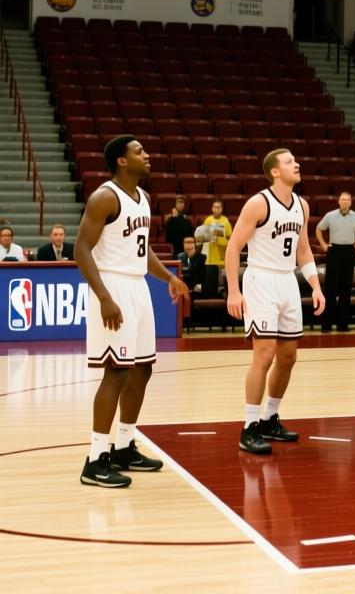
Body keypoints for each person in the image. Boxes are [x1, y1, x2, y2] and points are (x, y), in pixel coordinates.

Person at [75, 135, 189, 487]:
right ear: (122, 161)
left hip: (138, 286)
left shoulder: (142, 199)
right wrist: (104, 296)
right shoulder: (104, 197)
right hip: (114, 287)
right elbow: (81, 248)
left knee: (143, 369)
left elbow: (142, 252)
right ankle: (95, 459)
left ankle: (124, 445)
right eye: (139, 151)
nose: (147, 155)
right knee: (116, 373)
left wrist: (167, 276)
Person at [226, 149, 325, 455]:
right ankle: (249, 426)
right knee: (264, 354)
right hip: (261, 280)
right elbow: (233, 247)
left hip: (287, 282)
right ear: (275, 172)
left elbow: (304, 250)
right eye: (289, 162)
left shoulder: (302, 206)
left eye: (296, 160)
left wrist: (316, 287)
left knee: (288, 357)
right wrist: (233, 290)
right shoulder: (258, 203)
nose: (296, 164)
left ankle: (270, 417)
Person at [315, 191, 355, 333]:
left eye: (347, 200)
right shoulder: (330, 215)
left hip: (349, 252)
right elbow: (319, 229)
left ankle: (342, 325)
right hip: (334, 252)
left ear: (350, 202)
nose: (345, 202)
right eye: (343, 199)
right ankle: (326, 326)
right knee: (330, 290)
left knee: (346, 290)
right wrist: (324, 245)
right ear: (339, 202)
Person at [198, 199, 232, 268]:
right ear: (212, 208)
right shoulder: (208, 220)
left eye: (218, 207)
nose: (216, 209)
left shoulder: (225, 221)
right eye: (214, 207)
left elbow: (230, 239)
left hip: (221, 258)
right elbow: (202, 236)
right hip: (209, 258)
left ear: (221, 209)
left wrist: (219, 239)